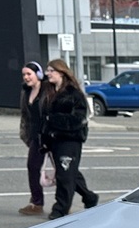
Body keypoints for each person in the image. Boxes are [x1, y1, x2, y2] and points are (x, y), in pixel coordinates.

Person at [39, 59, 100, 217]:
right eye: (47, 70)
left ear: (61, 72)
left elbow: (78, 120)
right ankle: (89, 197)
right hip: (53, 140)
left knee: (64, 175)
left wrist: (53, 119)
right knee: (69, 172)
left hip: (70, 140)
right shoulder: (50, 92)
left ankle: (60, 209)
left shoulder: (73, 94)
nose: (48, 73)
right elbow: (43, 117)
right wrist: (44, 139)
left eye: (51, 70)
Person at [16, 61, 51, 217]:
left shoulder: (48, 90)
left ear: (38, 75)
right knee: (33, 167)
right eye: (24, 74)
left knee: (64, 170)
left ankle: (76, 198)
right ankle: (37, 202)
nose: (26, 77)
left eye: (29, 74)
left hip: (51, 134)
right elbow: (25, 115)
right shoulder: (26, 92)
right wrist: (26, 135)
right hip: (36, 136)